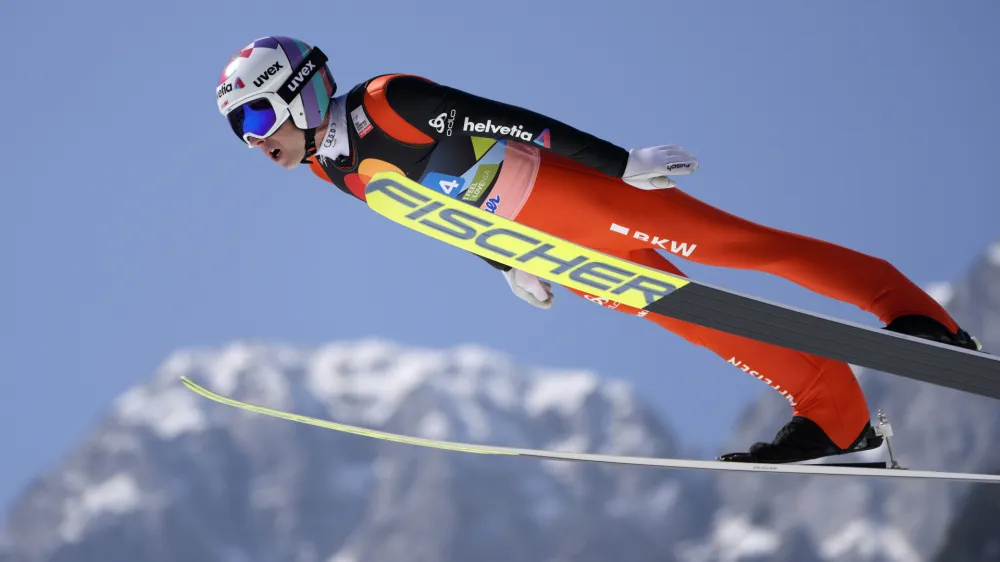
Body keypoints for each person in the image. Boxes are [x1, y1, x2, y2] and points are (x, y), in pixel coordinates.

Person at [215, 36, 982, 464]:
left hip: (580, 196)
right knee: (696, 318)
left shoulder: (387, 103)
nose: (254, 142)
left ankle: (918, 316)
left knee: (739, 249)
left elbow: (506, 121)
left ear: (297, 91)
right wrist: (505, 261)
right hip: (546, 244)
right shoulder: (331, 167)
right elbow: (432, 214)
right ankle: (836, 418)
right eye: (238, 130)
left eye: (254, 119)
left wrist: (622, 163)